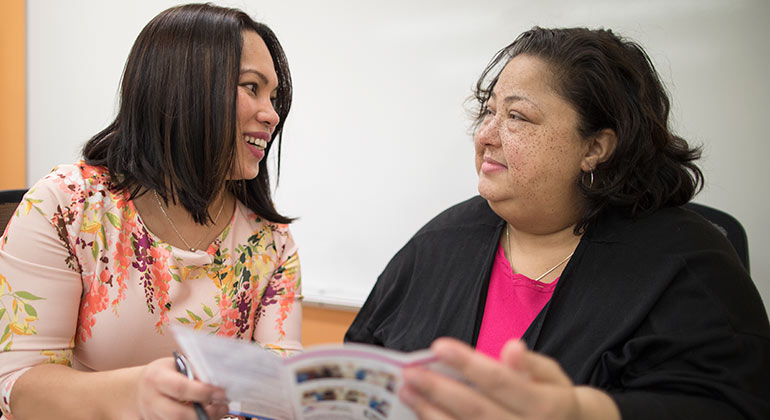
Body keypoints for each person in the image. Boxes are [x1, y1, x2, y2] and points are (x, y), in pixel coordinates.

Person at [345, 27, 770, 419]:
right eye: (489, 111)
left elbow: (728, 405)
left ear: (595, 147)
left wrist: (584, 412)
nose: (485, 135)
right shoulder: (440, 241)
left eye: (517, 117)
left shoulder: (686, 264)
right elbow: (359, 369)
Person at [0, 3, 302, 419]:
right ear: (185, 87)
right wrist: (132, 394)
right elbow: (17, 385)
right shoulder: (66, 206)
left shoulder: (270, 242)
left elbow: (276, 392)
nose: (272, 114)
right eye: (252, 87)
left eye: (274, 97)